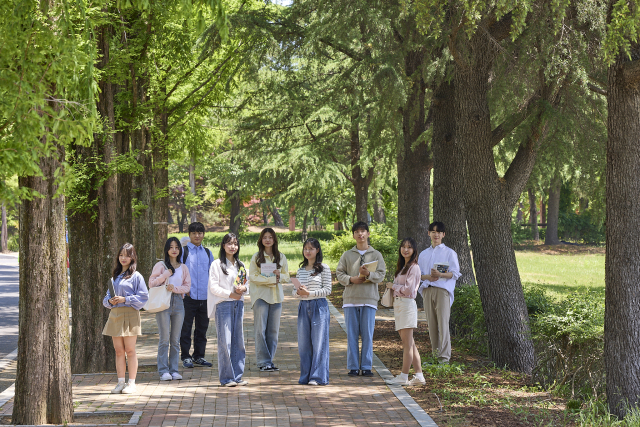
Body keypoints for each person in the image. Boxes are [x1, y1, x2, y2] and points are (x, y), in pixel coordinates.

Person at [336, 221, 386, 377]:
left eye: (363, 231)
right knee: (351, 335)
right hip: (350, 299)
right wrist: (351, 279)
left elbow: (381, 274)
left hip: (369, 300)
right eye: (357, 231)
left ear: (368, 234)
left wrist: (369, 275)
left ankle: (366, 366)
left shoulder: (376, 254)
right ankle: (352, 366)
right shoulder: (347, 255)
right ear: (353, 235)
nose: (360, 234)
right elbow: (339, 273)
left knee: (367, 335)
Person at [103, 243, 149, 394]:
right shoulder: (115, 276)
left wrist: (125, 299)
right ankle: (120, 382)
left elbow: (144, 297)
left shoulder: (137, 276)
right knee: (118, 351)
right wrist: (110, 301)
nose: (123, 258)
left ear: (132, 257)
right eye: (121, 255)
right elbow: (106, 298)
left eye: (127, 255)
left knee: (130, 350)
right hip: (115, 314)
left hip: (130, 314)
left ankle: (132, 383)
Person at [207, 233, 249, 387]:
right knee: (225, 342)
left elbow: (246, 285)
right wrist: (230, 294)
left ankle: (237, 376)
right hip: (223, 305)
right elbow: (213, 287)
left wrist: (243, 288)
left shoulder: (241, 265)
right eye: (229, 243)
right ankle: (226, 378)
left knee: (239, 342)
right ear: (223, 245)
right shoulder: (216, 264)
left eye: (235, 243)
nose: (233, 246)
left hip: (239, 305)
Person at [418, 221, 461, 364]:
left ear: (443, 234)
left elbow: (455, 273)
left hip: (442, 291)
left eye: (439, 232)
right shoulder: (423, 254)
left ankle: (444, 359)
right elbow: (419, 275)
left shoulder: (450, 253)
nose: (436, 234)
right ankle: (435, 356)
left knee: (443, 324)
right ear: (428, 233)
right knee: (431, 324)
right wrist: (428, 277)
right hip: (427, 290)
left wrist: (440, 275)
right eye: (433, 231)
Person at [149, 237, 191, 381]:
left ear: (180, 250)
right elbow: (152, 283)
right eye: (171, 247)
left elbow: (187, 287)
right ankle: (163, 371)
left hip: (179, 302)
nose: (174, 250)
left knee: (175, 339)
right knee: (164, 339)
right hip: (163, 302)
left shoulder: (183, 267)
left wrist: (175, 289)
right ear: (167, 249)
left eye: (177, 247)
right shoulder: (160, 265)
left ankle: (174, 370)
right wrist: (166, 274)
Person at [385, 238, 425, 386]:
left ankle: (404, 376)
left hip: (407, 305)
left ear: (414, 250)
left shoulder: (414, 267)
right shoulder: (403, 267)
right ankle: (419, 375)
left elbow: (408, 290)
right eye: (403, 247)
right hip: (400, 305)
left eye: (409, 247)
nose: (405, 250)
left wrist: (393, 286)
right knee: (410, 343)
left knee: (407, 344)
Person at [249, 227, 290, 372]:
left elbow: (287, 276)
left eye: (270, 237)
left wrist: (279, 276)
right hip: (260, 297)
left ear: (274, 240)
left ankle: (269, 361)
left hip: (276, 298)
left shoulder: (281, 257)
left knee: (273, 331)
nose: (267, 240)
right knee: (260, 330)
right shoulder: (256, 257)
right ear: (261, 240)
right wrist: (271, 280)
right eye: (265, 237)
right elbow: (252, 277)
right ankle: (263, 362)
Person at [293, 238, 332, 385]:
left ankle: (318, 377)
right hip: (303, 307)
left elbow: (328, 290)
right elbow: (293, 291)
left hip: (319, 306)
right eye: (305, 249)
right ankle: (305, 376)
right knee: (304, 344)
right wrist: (298, 292)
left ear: (317, 250)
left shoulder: (324, 268)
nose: (307, 251)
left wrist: (309, 293)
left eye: (311, 249)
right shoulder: (301, 270)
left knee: (319, 342)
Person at [180, 222, 215, 368]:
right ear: (189, 234)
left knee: (202, 328)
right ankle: (186, 356)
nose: (197, 235)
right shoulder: (183, 251)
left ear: (203, 235)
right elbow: (178, 271)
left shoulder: (207, 252)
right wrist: (183, 289)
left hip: (205, 297)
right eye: (194, 233)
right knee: (186, 328)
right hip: (188, 296)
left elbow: (212, 274)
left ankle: (199, 356)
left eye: (200, 233)